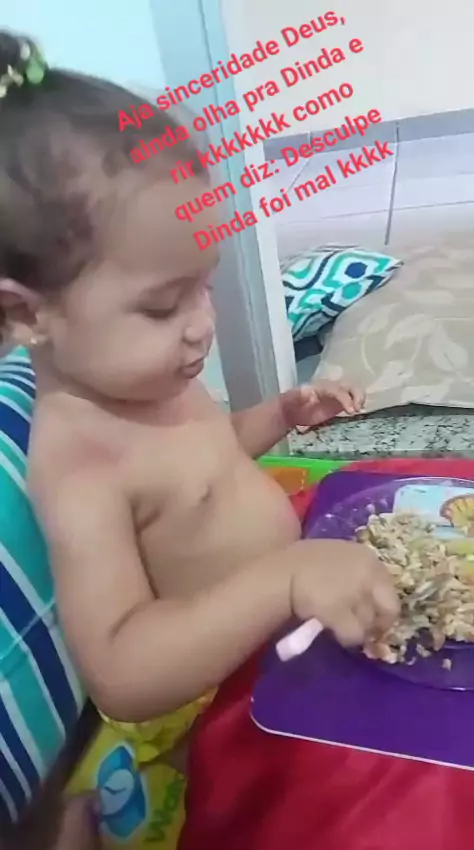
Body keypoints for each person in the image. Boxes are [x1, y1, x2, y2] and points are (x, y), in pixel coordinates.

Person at [0, 30, 399, 848]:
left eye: (205, 289)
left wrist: (279, 415)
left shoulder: (148, 378)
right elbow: (123, 669)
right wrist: (284, 580)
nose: (200, 327)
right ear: (23, 314)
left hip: (283, 627)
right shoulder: (78, 463)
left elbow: (206, 467)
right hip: (209, 709)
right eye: (162, 306)